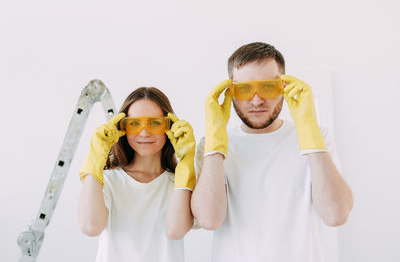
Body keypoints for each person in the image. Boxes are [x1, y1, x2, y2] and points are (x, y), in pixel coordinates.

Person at [191, 42, 354, 262]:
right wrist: (215, 138)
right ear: (230, 92)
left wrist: (309, 132)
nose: (257, 100)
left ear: (284, 87)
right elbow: (209, 220)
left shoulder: (317, 137)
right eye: (245, 89)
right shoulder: (212, 146)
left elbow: (336, 215)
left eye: (267, 87)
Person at [78, 87, 196, 262]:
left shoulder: (180, 183)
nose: (144, 132)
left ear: (169, 127)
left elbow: (175, 230)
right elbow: (90, 227)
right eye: (134, 123)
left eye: (155, 123)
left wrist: (186, 160)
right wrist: (96, 158)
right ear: (123, 128)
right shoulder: (107, 180)